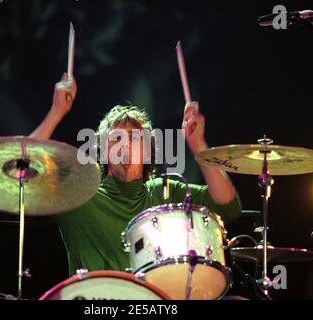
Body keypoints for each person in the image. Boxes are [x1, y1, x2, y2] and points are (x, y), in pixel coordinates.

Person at [31, 73, 242, 275]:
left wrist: (199, 147)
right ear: (103, 152)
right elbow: (23, 175)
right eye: (116, 138)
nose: (125, 145)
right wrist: (56, 112)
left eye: (133, 138)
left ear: (148, 150)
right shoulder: (80, 195)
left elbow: (227, 206)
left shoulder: (166, 192)